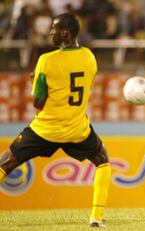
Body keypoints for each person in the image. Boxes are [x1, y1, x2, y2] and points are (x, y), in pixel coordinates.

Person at [0, 13, 110, 228]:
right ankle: (96, 218)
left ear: (66, 33)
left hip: (45, 129)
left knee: (5, 163)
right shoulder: (89, 56)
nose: (50, 32)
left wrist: (35, 81)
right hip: (77, 130)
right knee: (103, 161)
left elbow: (38, 103)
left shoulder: (46, 60)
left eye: (54, 29)